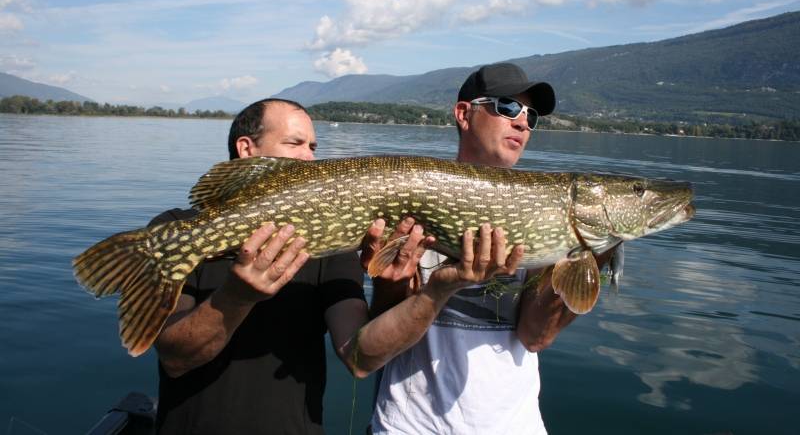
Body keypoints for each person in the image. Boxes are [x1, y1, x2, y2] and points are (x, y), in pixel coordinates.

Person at [151, 98, 431, 434]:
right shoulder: (177, 231)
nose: (310, 157)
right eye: (294, 143)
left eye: (313, 146)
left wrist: (428, 287)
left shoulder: (330, 246)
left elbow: (360, 357)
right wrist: (236, 296)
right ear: (246, 149)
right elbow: (175, 358)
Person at [365, 62, 612, 434]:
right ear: (464, 113)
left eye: (531, 117)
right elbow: (373, 350)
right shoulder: (410, 196)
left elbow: (535, 336)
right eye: (508, 107)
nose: (522, 122)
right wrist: (397, 284)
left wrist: (594, 251)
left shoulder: (544, 213)